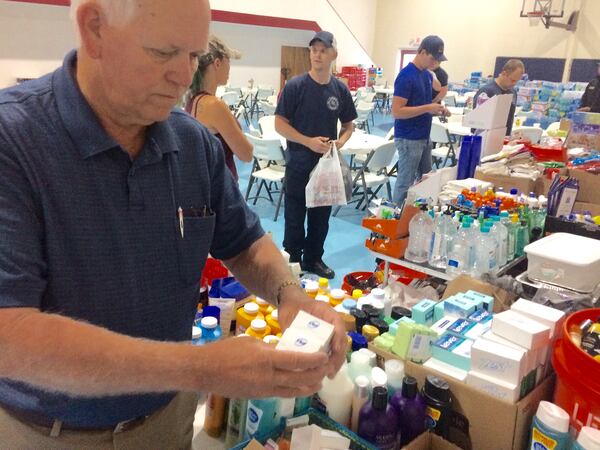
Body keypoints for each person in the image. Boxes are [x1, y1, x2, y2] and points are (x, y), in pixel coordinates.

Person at [0, 1, 346, 448]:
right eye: (164, 53)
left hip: (168, 417)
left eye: (194, 57)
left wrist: (289, 294)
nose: (184, 77)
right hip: (48, 432)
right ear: (94, 29)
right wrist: (198, 367)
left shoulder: (191, 142)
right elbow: (10, 333)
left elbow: (244, 242)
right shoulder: (13, 140)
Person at [275, 31, 357, 280]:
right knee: (294, 215)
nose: (317, 54)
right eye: (314, 50)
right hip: (299, 162)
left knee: (321, 218)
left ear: (334, 54)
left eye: (323, 50)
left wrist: (339, 143)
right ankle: (293, 260)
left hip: (326, 166)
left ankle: (313, 259)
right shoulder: (295, 86)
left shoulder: (339, 90)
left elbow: (348, 125)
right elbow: (280, 124)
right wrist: (307, 141)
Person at [391, 35, 450, 206]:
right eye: (432, 58)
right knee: (405, 182)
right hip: (409, 138)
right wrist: (427, 108)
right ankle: (396, 222)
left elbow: (422, 104)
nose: (435, 63)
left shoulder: (426, 75)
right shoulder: (406, 76)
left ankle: (413, 215)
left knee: (427, 178)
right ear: (422, 52)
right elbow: (397, 111)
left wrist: (437, 110)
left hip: (423, 136)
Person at [185, 35, 253, 181]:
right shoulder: (214, 105)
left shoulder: (192, 100)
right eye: (228, 62)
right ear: (217, 63)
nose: (230, 68)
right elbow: (246, 154)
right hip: (221, 188)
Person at [473, 59, 525, 136]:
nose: (514, 84)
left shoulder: (513, 92)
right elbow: (476, 122)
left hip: (504, 139)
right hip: (486, 139)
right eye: (512, 80)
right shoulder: (487, 92)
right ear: (504, 73)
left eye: (517, 81)